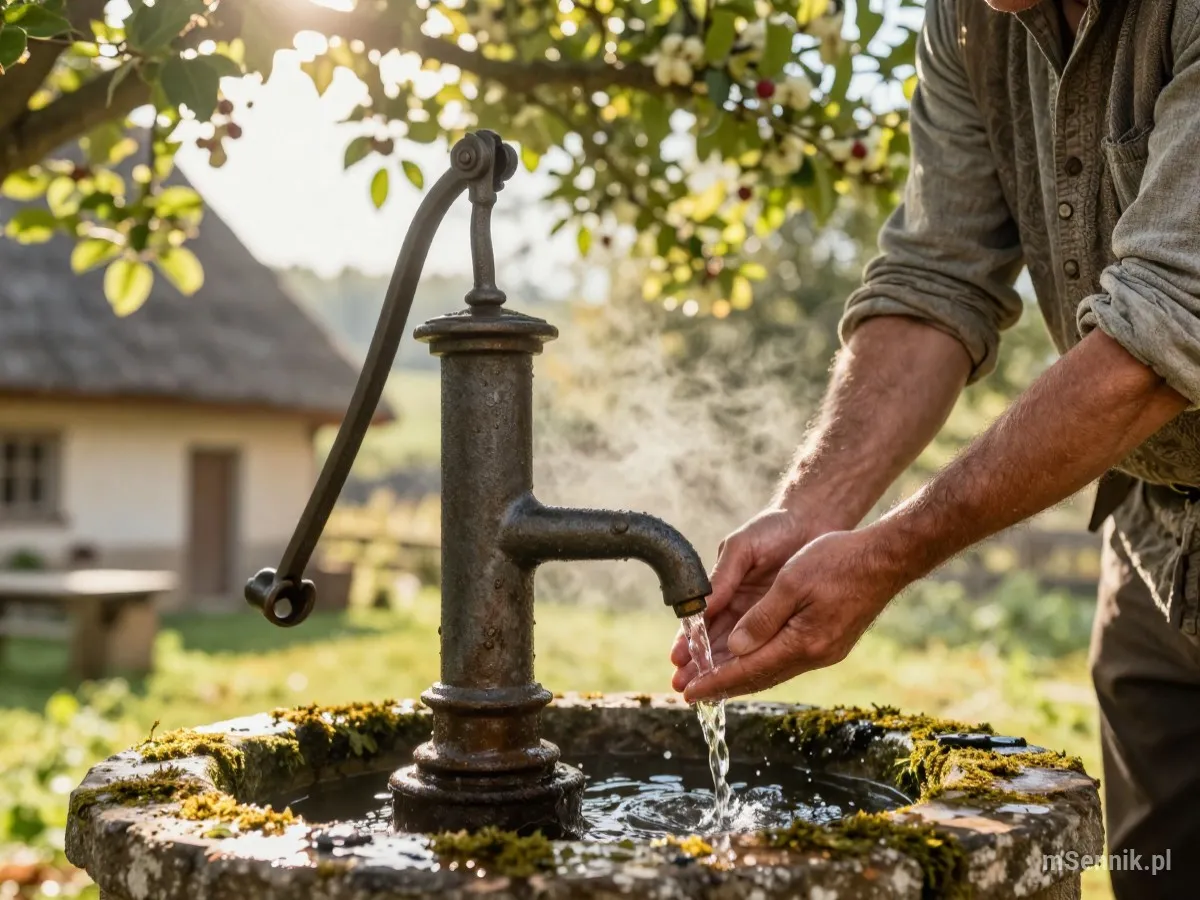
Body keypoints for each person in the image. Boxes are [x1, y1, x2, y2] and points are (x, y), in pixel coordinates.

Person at [670, 1, 1200, 897]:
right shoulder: (968, 20)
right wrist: (810, 509)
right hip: (1154, 540)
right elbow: (933, 280)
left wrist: (888, 553)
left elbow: (1161, 334)